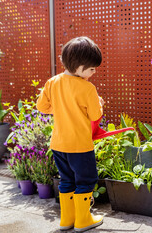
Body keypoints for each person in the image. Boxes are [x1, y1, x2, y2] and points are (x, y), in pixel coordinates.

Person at [36, 36, 104, 232]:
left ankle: (67, 220)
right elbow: (94, 115)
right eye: (91, 69)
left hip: (58, 145)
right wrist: (99, 103)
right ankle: (83, 220)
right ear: (80, 67)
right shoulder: (87, 88)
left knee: (67, 180)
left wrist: (60, 109)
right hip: (80, 146)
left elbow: (42, 107)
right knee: (86, 180)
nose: (93, 72)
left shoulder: (52, 82)